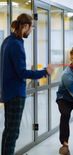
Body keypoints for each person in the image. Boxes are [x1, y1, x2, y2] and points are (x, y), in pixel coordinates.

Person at [0, 13, 54, 155]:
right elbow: (22, 73)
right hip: (16, 94)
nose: (31, 31)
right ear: (25, 26)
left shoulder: (7, 41)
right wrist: (45, 72)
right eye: (31, 28)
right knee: (13, 133)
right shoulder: (16, 44)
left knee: (8, 130)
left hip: (8, 92)